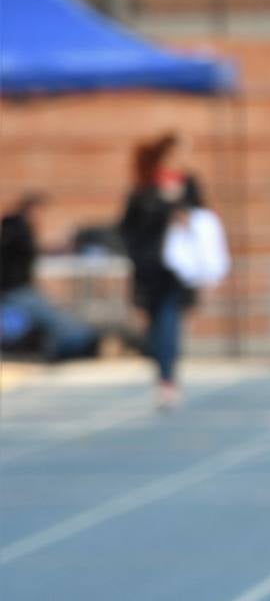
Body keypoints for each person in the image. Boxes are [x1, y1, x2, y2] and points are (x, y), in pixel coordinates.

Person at [119, 133, 195, 409]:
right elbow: (129, 227)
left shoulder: (189, 185)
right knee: (157, 322)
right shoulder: (144, 189)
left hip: (179, 268)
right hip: (152, 267)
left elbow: (202, 217)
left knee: (170, 319)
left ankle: (167, 376)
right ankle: (163, 371)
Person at [0, 192, 101, 361]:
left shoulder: (15, 229)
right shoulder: (17, 227)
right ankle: (73, 341)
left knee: (52, 312)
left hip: (19, 291)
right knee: (53, 317)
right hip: (17, 292)